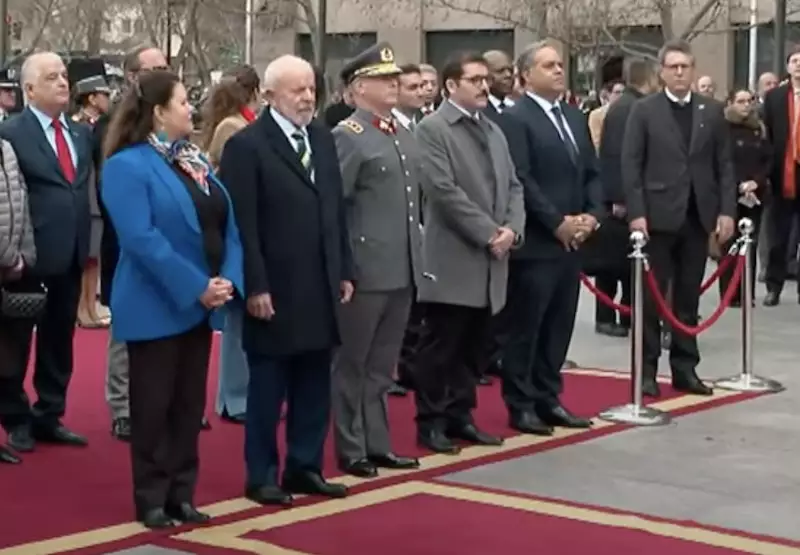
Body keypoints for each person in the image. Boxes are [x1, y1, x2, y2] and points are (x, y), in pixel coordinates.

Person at [101, 69, 243, 528]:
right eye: (183, 102)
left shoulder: (192, 160)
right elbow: (141, 240)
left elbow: (227, 223)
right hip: (156, 304)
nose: (192, 108)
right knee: (154, 407)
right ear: (159, 112)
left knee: (187, 408)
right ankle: (152, 498)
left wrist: (227, 280)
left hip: (200, 305)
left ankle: (183, 493)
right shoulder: (127, 165)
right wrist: (195, 285)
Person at [219, 55, 353, 506]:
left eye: (311, 88)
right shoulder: (248, 146)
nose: (308, 97)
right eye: (297, 90)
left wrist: (345, 269)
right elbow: (244, 225)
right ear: (270, 95)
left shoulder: (322, 138)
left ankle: (305, 465)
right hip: (273, 288)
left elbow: (334, 210)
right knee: (268, 389)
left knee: (315, 383)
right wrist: (254, 286)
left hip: (320, 283)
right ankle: (262, 475)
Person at [413, 51, 525, 454]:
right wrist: (488, 233)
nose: (483, 85)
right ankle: (431, 421)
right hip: (454, 258)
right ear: (450, 86)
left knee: (476, 347)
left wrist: (512, 229)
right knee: (442, 345)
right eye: (474, 79)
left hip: (493, 259)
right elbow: (443, 192)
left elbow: (514, 185)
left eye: (484, 79)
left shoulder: (493, 130)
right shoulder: (433, 129)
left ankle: (461, 415)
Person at [622, 40, 736, 398]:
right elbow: (631, 165)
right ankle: (646, 370)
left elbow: (725, 165)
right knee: (652, 299)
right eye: (673, 67)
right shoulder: (644, 111)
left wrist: (727, 210)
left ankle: (686, 368)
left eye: (685, 66)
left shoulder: (711, 111)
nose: (680, 73)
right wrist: (637, 213)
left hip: (696, 217)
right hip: (656, 217)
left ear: (694, 69)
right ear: (662, 71)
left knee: (688, 298)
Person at [500, 41, 602, 435]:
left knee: (559, 325)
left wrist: (592, 217)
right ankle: (521, 402)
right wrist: (557, 222)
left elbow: (592, 171)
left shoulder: (575, 117)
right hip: (539, 243)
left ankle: (548, 395)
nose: (559, 70)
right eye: (549, 65)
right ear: (525, 75)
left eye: (561, 64)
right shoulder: (516, 118)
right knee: (527, 326)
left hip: (572, 242)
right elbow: (521, 179)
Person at [331, 43, 423, 478]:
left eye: (395, 78)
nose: (394, 84)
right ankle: (351, 448)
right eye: (384, 79)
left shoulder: (401, 133)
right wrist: (344, 268)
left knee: (382, 366)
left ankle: (378, 442)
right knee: (353, 363)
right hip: (366, 270)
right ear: (359, 86)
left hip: (401, 267)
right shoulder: (348, 136)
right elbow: (336, 209)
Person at [0, 52, 94, 453]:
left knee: (60, 339)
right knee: (15, 344)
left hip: (71, 253)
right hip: (27, 257)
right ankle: (16, 417)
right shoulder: (12, 133)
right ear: (29, 88)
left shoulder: (79, 134)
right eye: (52, 77)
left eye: (64, 77)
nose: (62, 83)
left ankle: (49, 413)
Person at [94, 45, 170, 441]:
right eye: (152, 69)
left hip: (169, 241)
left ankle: (165, 402)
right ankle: (122, 406)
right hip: (126, 239)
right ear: (131, 76)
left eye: (165, 68)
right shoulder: (113, 124)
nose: (161, 74)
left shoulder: (172, 124)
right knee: (125, 327)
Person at [199, 64, 261, 424]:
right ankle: (233, 397)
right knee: (237, 315)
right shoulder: (233, 128)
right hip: (234, 225)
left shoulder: (244, 123)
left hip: (247, 224)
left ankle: (240, 393)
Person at [595, 58, 660, 338]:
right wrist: (621, 198)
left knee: (625, 263)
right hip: (621, 199)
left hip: (628, 195)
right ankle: (607, 316)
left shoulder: (630, 105)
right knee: (612, 263)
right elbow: (616, 156)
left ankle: (625, 314)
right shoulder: (628, 109)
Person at [717, 87, 771, 306]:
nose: (746, 105)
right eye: (741, 101)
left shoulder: (759, 128)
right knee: (730, 244)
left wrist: (755, 182)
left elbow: (768, 159)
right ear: (730, 102)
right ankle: (729, 294)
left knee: (750, 243)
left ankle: (746, 292)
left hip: (754, 194)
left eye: (749, 100)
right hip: (731, 193)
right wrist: (738, 184)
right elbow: (722, 160)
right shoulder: (722, 128)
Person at [0, 139, 36, 465]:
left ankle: (15, 420)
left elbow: (20, 202)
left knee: (10, 353)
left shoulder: (8, 149)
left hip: (12, 268)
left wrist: (23, 255)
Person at [71, 74, 112, 329]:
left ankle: (90, 305)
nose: (108, 99)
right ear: (91, 98)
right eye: (104, 95)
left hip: (96, 193)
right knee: (87, 257)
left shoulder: (98, 124)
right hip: (86, 195)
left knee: (94, 257)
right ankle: (82, 307)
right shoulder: (80, 126)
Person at [762, 46, 800, 306]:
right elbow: (767, 137)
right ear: (788, 67)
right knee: (779, 235)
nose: (799, 65)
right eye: (795, 61)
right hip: (782, 172)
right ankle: (774, 285)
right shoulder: (774, 97)